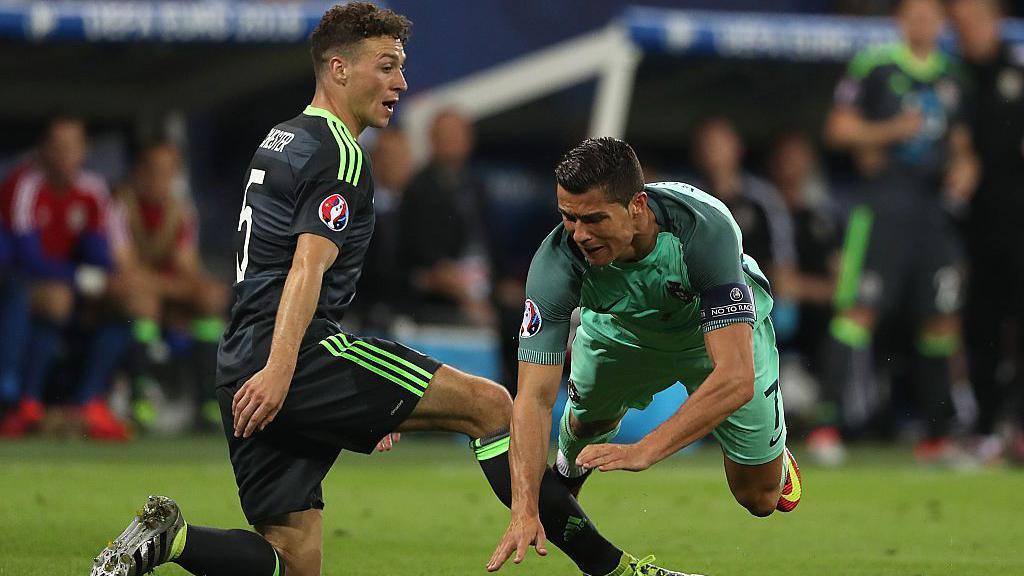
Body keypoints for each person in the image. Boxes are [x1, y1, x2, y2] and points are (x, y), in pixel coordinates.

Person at [91, 5, 694, 576]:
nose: (401, 83)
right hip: (293, 356)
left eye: (401, 66)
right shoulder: (339, 155)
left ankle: (170, 538)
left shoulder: (281, 138)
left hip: (242, 361)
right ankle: (610, 567)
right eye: (387, 66)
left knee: (292, 558)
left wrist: (355, 403)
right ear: (338, 68)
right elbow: (306, 269)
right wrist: (285, 373)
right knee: (492, 406)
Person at [489, 137, 803, 571]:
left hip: (708, 334)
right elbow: (533, 397)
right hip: (622, 333)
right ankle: (570, 466)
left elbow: (735, 375)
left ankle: (777, 460)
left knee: (760, 497)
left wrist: (648, 448)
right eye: (568, 217)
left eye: (594, 219)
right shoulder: (556, 262)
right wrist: (523, 507)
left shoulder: (702, 229)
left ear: (636, 205)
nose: (579, 234)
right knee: (584, 425)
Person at [820, 0, 977, 464]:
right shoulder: (875, 66)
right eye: (914, 14)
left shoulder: (954, 75)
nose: (923, 22)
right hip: (883, 206)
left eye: (931, 15)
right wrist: (890, 131)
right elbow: (838, 130)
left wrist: (965, 169)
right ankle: (829, 427)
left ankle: (937, 435)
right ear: (900, 20)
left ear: (941, 23)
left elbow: (963, 147)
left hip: (932, 212)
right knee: (858, 313)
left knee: (940, 320)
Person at [0, 116, 128, 440]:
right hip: (19, 281)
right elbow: (27, 260)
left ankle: (88, 402)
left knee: (129, 299)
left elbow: (100, 252)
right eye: (57, 147)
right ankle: (22, 401)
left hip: (67, 283)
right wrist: (87, 281)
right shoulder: (25, 185)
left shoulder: (92, 190)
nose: (64, 155)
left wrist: (108, 281)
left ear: (84, 150)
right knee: (54, 301)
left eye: (72, 147)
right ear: (44, 150)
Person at [949, 0, 1024, 463]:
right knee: (981, 331)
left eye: (976, 20)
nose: (968, 29)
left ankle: (1015, 423)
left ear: (997, 22)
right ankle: (986, 428)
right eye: (960, 22)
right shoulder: (952, 79)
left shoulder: (1016, 73)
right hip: (972, 234)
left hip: (1020, 227)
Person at [109, 141, 227, 429]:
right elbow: (126, 270)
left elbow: (187, 267)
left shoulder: (180, 211)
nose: (160, 179)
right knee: (143, 301)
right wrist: (176, 288)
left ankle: (209, 403)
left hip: (163, 292)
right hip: (118, 295)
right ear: (138, 171)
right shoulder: (119, 205)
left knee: (211, 298)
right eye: (153, 170)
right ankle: (140, 401)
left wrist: (195, 288)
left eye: (168, 172)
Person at [398, 108, 495, 326]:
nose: (452, 141)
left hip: (484, 281)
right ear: (432, 139)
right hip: (439, 292)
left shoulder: (477, 186)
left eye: (457, 134)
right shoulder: (418, 189)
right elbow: (420, 255)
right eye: (445, 135)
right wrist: (455, 285)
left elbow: (492, 244)